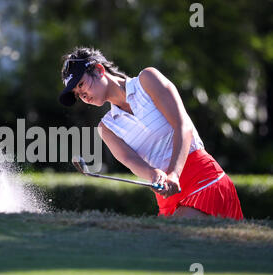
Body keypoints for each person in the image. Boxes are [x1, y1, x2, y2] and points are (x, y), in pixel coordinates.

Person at [59, 47, 243, 220]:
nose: (82, 94)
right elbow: (131, 161)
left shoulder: (147, 80)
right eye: (77, 93)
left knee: (173, 239)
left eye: (81, 84)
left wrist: (173, 174)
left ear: (99, 70)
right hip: (168, 198)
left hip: (203, 180)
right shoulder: (106, 127)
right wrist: (153, 174)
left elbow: (182, 126)